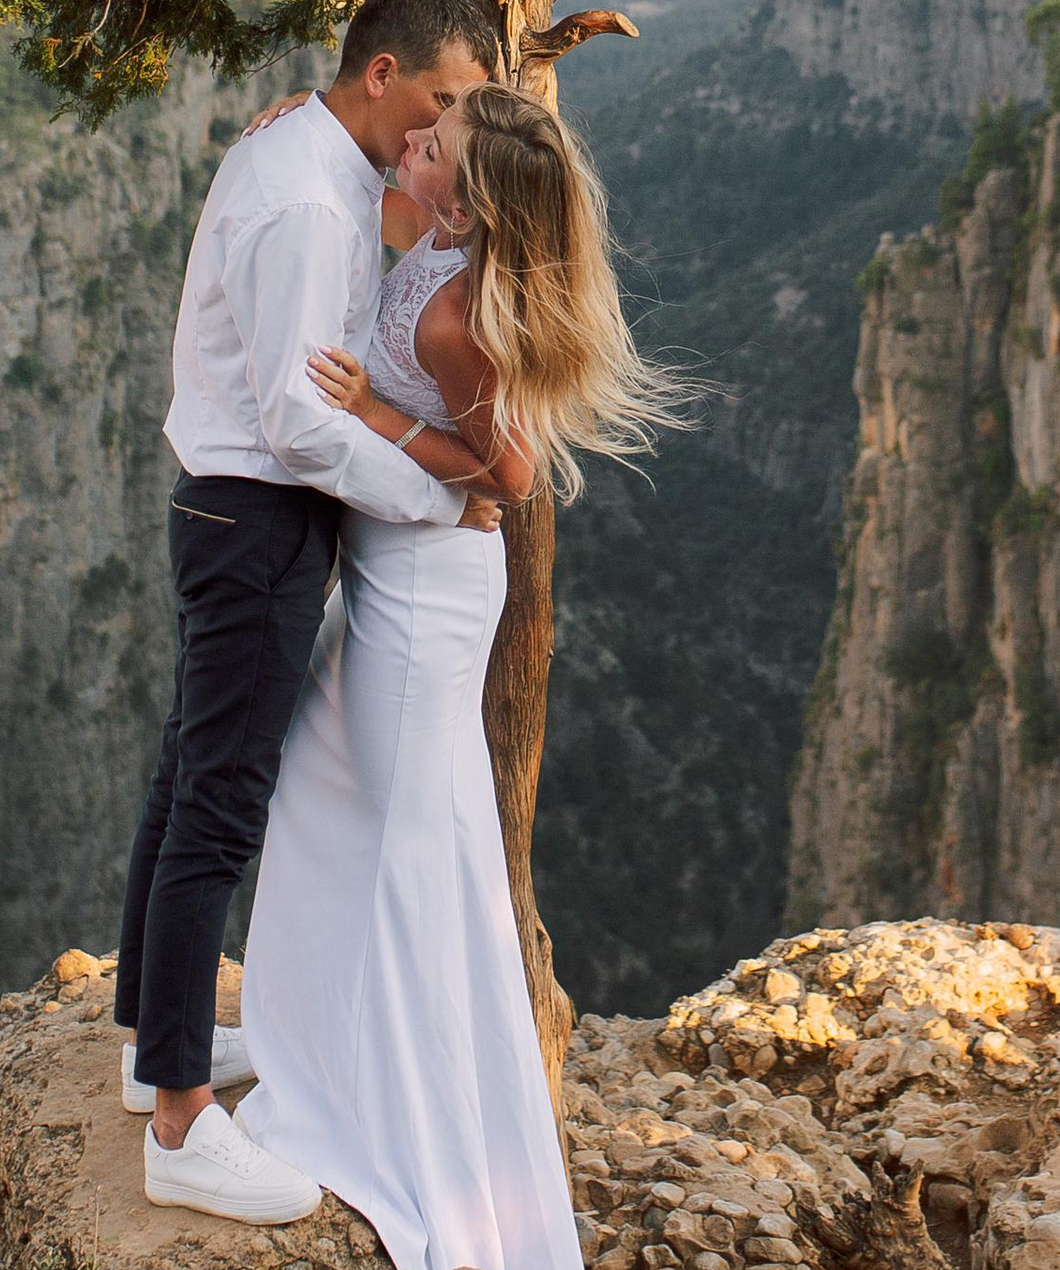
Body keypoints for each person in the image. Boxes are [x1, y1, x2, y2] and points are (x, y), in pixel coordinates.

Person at [232, 80, 684, 1270]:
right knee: (336, 810)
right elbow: (355, 193)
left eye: (435, 145)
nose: (415, 140)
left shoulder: (456, 319)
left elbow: (512, 474)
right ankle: (325, 1047)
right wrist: (300, 123)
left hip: (429, 594)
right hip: (390, 576)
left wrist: (379, 413)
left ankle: (390, 1110)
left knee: (395, 844)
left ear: (466, 191)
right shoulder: (431, 234)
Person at [113, 0, 504, 1226]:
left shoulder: (313, 153)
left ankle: (147, 1043)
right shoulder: (303, 201)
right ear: (381, 75)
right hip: (256, 512)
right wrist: (439, 501)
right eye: (439, 98)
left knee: (190, 770)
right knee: (219, 804)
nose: (443, 129)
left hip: (240, 508)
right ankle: (179, 1120)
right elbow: (292, 417)